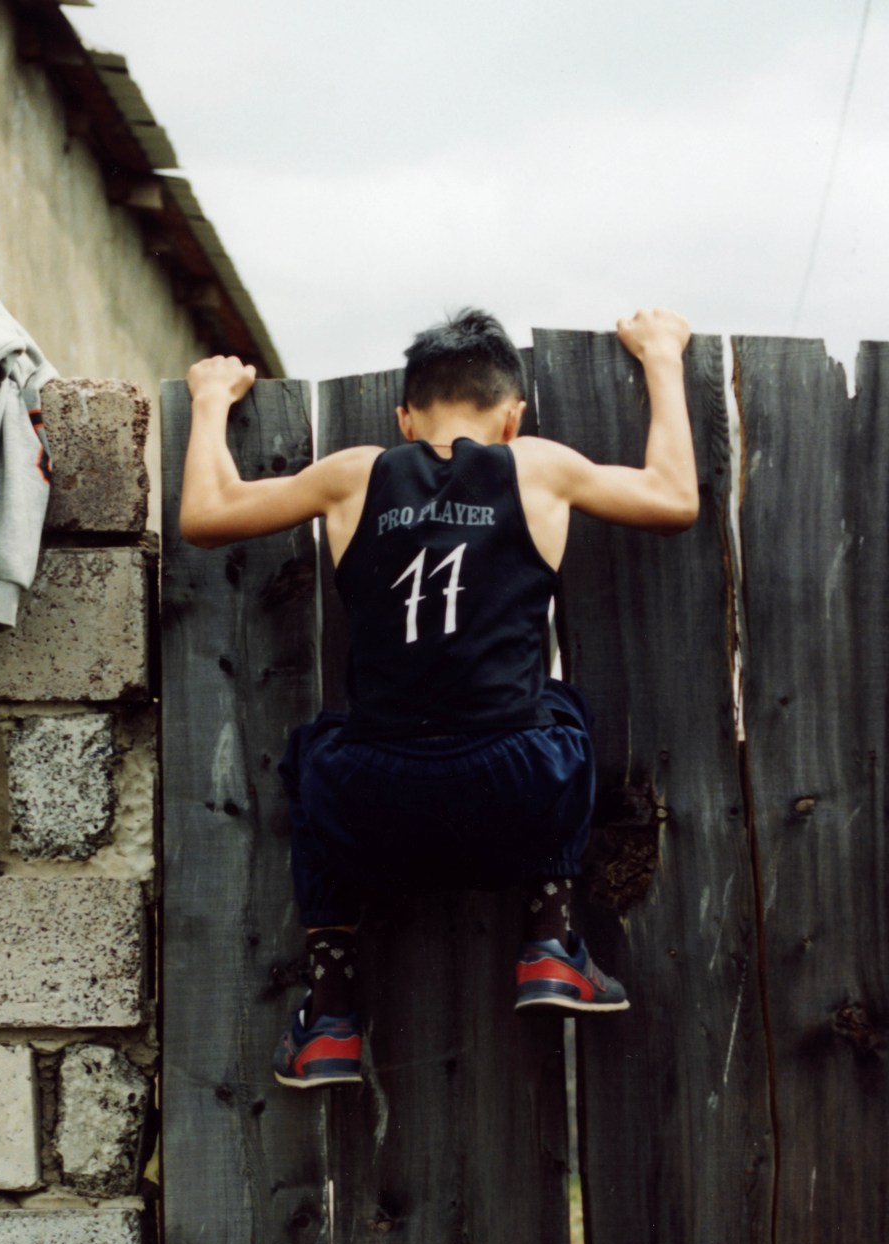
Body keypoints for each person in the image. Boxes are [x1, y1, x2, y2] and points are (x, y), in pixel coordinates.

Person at [178, 305, 697, 1088]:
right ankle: (551, 942)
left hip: (373, 794)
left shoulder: (354, 474)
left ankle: (330, 1010)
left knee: (313, 749)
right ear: (513, 417)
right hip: (515, 784)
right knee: (564, 710)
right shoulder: (540, 466)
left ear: (404, 416)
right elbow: (674, 496)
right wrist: (662, 356)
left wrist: (211, 399)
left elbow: (206, 514)